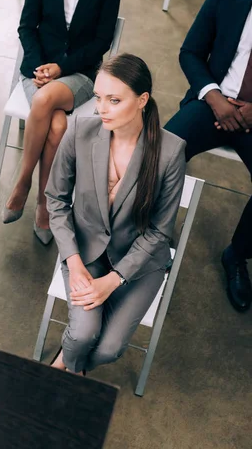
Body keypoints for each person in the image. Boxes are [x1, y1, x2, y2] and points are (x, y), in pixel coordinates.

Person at [45, 54, 186, 374]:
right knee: (82, 334)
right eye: (98, 97)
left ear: (142, 100)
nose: (101, 108)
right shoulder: (81, 127)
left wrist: (114, 280)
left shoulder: (170, 151)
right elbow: (55, 198)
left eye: (114, 100)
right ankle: (69, 367)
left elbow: (160, 232)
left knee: (109, 349)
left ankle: (67, 363)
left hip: (140, 262)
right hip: (86, 251)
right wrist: (74, 262)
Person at [3, 0, 122, 245]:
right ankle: (44, 204)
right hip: (38, 68)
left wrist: (61, 68)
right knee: (56, 126)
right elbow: (27, 26)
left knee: (45, 99)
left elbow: (101, 41)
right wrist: (41, 65)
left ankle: (22, 182)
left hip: (79, 73)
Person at [165, 0, 252, 312]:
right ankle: (150, 234)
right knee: (160, 151)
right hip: (212, 101)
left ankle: (237, 254)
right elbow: (190, 52)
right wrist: (215, 98)